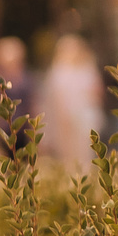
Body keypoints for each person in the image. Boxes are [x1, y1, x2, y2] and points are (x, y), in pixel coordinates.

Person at [41, 34, 102, 174]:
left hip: (86, 116)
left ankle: (86, 176)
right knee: (68, 153)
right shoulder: (58, 71)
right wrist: (63, 116)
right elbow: (57, 97)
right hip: (65, 117)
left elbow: (97, 92)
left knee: (86, 151)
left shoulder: (87, 68)